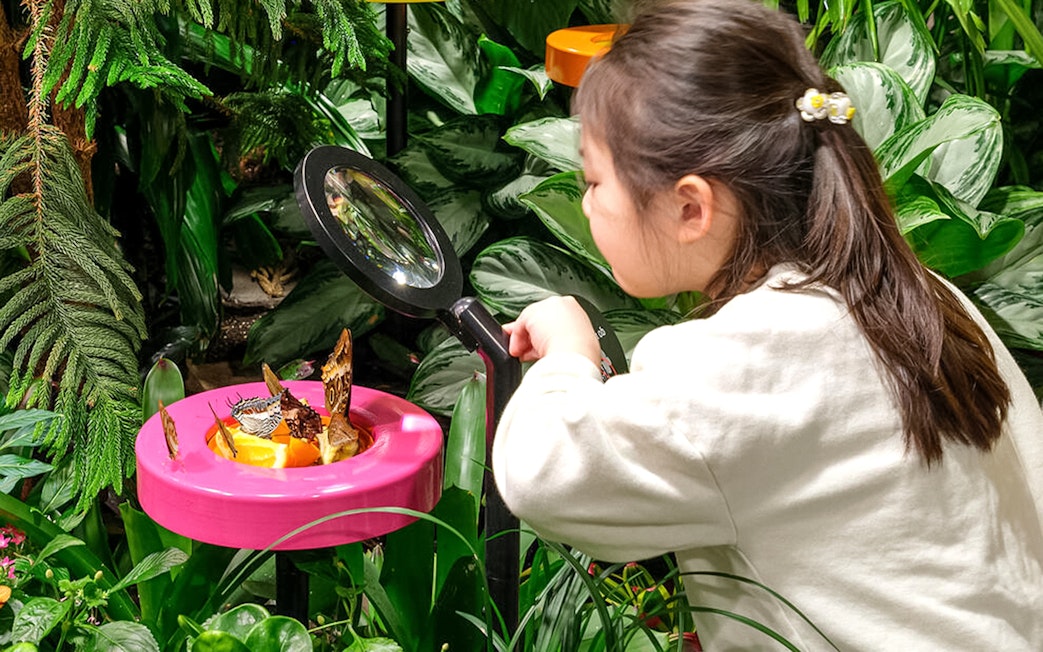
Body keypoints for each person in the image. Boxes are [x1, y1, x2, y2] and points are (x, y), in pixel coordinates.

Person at [491, 0, 1043, 649]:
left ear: (690, 206)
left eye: (591, 180)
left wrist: (566, 352)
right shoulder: (911, 292)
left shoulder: (749, 360)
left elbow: (545, 476)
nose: (585, 203)